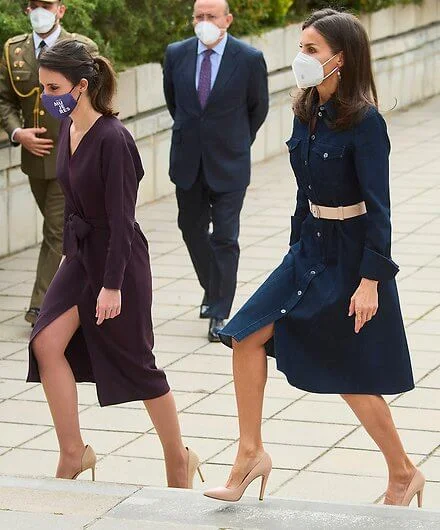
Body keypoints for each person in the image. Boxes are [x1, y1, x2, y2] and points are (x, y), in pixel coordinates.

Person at [204, 8, 425, 507]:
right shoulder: (306, 111)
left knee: (351, 375)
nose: (301, 58)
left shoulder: (366, 123)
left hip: (351, 259)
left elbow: (380, 208)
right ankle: (250, 454)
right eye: (301, 48)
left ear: (339, 59)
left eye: (311, 50)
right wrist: (292, 254)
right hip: (309, 250)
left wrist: (371, 281)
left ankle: (403, 472)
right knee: (242, 335)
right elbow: (304, 197)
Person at [26, 39, 204, 489]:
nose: (46, 95)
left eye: (53, 86)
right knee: (46, 343)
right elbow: (72, 203)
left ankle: (178, 458)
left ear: (81, 85)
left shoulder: (113, 138)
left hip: (117, 261)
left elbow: (123, 220)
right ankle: (73, 452)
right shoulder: (68, 127)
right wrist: (70, 258)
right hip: (81, 256)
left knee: (138, 365)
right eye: (43, 86)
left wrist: (112, 285)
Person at [163, 0, 269, 342]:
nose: (205, 22)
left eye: (211, 16)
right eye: (199, 16)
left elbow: (258, 109)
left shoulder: (249, 59)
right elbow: (173, 102)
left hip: (230, 161)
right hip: (187, 160)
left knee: (225, 236)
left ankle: (219, 310)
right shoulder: (176, 53)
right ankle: (215, 286)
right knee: (191, 228)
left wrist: (236, 140)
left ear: (228, 19)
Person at [0, 0, 98, 326]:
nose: (39, 10)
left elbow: (96, 100)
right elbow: (4, 100)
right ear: (26, 10)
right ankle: (89, 284)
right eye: (33, 5)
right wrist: (17, 132)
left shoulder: (81, 48)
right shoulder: (14, 50)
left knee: (55, 231)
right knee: (67, 231)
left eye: (46, 4)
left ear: (61, 10)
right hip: (34, 159)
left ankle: (40, 306)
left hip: (70, 157)